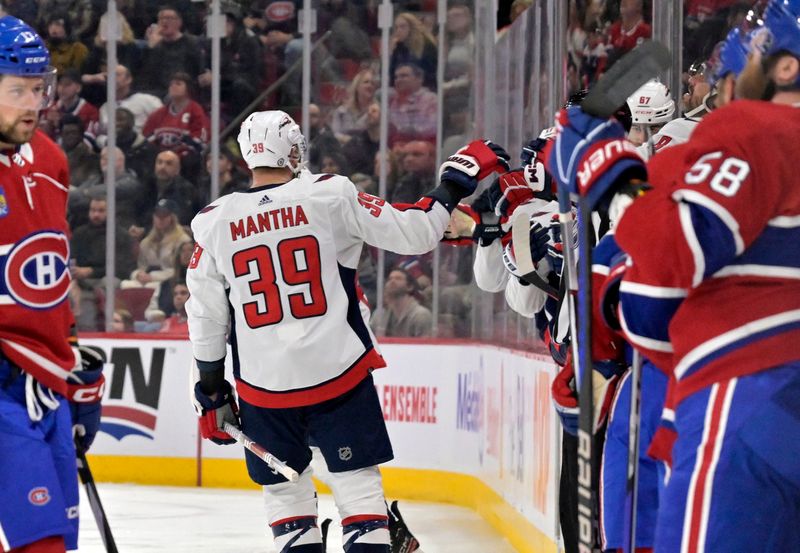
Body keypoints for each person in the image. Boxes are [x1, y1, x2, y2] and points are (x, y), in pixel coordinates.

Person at [186, 109, 508, 552]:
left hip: (263, 388)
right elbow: (415, 233)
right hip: (338, 376)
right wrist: (454, 180)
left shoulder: (214, 220)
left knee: (287, 502)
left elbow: (205, 316)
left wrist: (212, 390)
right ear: (294, 150)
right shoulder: (329, 194)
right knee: (359, 496)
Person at [547, 1, 800, 551]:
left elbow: (658, 289)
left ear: (786, 66)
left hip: (751, 404)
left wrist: (605, 175)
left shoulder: (760, 127)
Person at [0, 15, 105, 552]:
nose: (32, 103)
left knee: (60, 539)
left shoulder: (49, 157)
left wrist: (71, 353)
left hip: (46, 381)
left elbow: (51, 270)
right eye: (16, 89)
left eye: (38, 88)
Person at [372, 268, 433, 338]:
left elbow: (425, 347)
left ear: (409, 287)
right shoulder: (379, 315)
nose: (392, 281)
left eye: (398, 278)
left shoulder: (421, 315)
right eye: (389, 279)